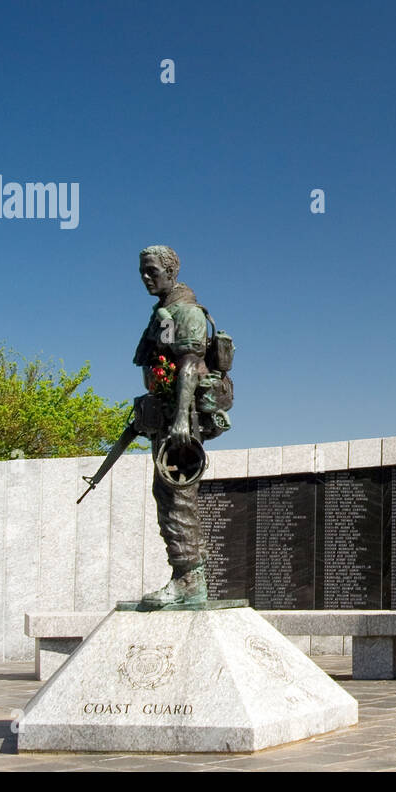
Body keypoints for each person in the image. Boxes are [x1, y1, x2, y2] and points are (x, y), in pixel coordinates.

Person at [132, 245, 223, 606]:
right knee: (167, 496)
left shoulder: (185, 312)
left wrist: (181, 420)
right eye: (142, 271)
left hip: (180, 423)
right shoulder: (164, 314)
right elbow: (162, 362)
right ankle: (184, 576)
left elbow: (188, 364)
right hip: (167, 417)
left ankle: (188, 581)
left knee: (178, 496)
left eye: (152, 270)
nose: (145, 277)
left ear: (171, 271)